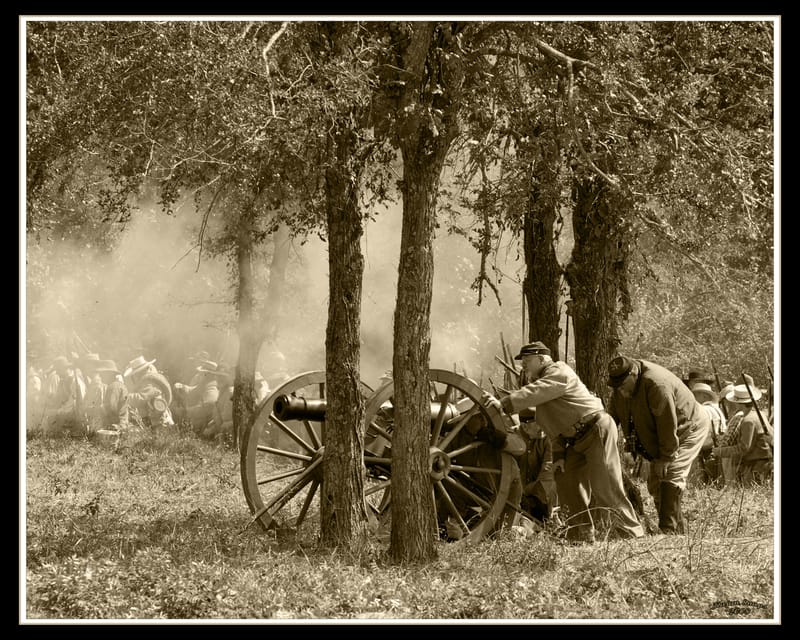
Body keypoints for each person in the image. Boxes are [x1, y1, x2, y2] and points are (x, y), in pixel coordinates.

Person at [484, 341, 644, 543]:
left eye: (527, 360)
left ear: (542, 359)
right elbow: (553, 426)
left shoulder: (558, 372)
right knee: (566, 482)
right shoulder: (542, 385)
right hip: (572, 441)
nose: (523, 365)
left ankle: (631, 534)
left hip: (596, 429)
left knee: (606, 487)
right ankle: (581, 535)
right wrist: (558, 455)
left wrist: (504, 404)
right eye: (523, 361)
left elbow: (537, 392)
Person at [606, 355, 710, 534]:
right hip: (662, 436)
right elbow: (610, 420)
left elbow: (667, 423)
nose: (621, 391)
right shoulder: (620, 388)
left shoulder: (657, 385)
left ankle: (667, 531)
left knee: (671, 472)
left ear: (633, 374)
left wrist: (667, 456)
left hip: (688, 426)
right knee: (656, 485)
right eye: (617, 387)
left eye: (623, 385)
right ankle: (678, 534)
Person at [712, 378, 773, 486]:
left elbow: (743, 448)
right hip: (762, 464)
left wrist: (719, 451)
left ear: (738, 403)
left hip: (756, 467)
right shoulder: (759, 414)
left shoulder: (748, 420)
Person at [516, 408, 558, 523]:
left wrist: (529, 491)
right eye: (539, 424)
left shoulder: (547, 439)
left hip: (539, 493)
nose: (543, 427)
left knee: (552, 483)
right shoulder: (514, 438)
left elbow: (548, 468)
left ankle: (550, 516)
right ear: (525, 427)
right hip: (515, 495)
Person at [689, 382, 727, 484]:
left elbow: (702, 431)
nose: (694, 397)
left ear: (705, 395)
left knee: (708, 482)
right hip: (717, 448)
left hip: (707, 449)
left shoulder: (703, 410)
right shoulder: (717, 409)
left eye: (696, 394)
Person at [123, 355, 174, 430]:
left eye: (136, 373)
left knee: (160, 439)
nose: (135, 376)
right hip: (155, 420)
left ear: (140, 372)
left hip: (161, 422)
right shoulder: (147, 381)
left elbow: (142, 398)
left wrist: (125, 397)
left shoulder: (150, 382)